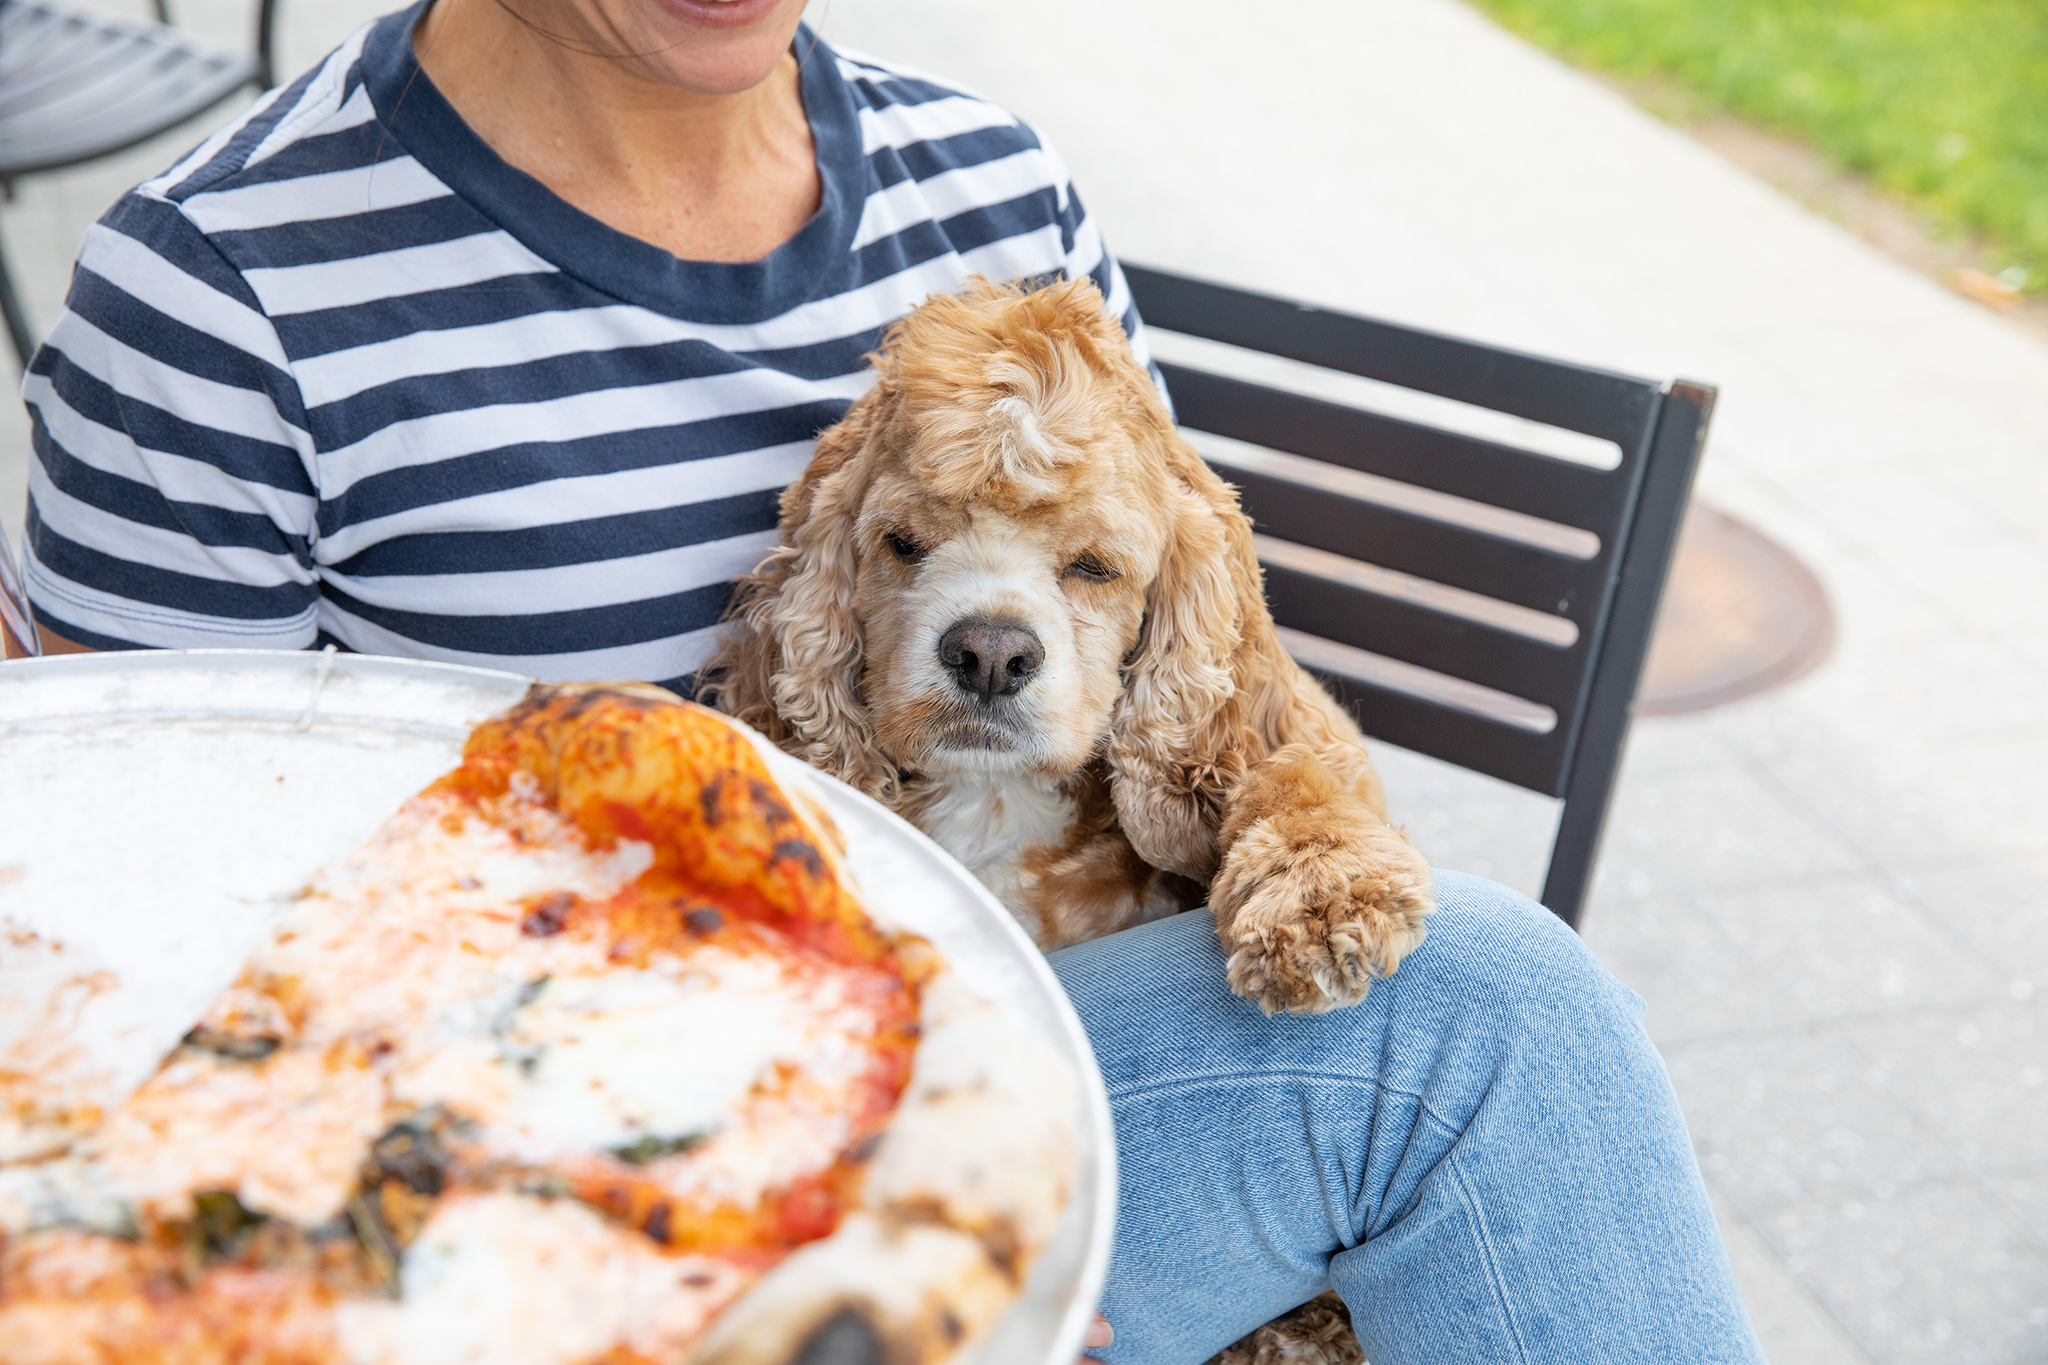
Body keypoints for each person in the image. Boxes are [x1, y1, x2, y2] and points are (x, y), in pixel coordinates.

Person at [8, 1, 1767, 1359]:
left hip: (993, 1027)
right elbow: (101, 949)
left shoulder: (997, 187)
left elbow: (1174, 653)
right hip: (522, 1154)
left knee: (1483, 1024)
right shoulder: (221, 292)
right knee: (1491, 1030)